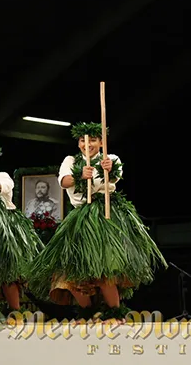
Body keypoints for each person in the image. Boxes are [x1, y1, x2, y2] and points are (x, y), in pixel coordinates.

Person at [28, 122, 166, 323]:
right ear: (78, 144)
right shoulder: (70, 161)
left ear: (101, 142)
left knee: (105, 267)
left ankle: (114, 312)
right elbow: (63, 181)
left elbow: (115, 177)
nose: (87, 144)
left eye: (93, 140)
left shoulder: (109, 158)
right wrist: (80, 175)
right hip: (79, 217)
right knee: (69, 272)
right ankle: (88, 312)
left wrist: (109, 169)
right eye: (83, 140)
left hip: (105, 215)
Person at [0, 145, 43, 313]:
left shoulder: (1, 176)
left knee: (8, 271)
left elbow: (2, 187)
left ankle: (15, 310)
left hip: (5, 225)